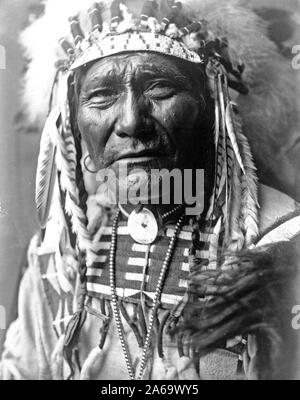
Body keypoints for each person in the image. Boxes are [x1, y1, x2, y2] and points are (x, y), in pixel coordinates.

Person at [0, 0, 299, 380]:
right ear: (76, 126)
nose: (130, 122)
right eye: (102, 95)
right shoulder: (62, 255)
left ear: (211, 107)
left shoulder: (279, 244)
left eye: (160, 88)